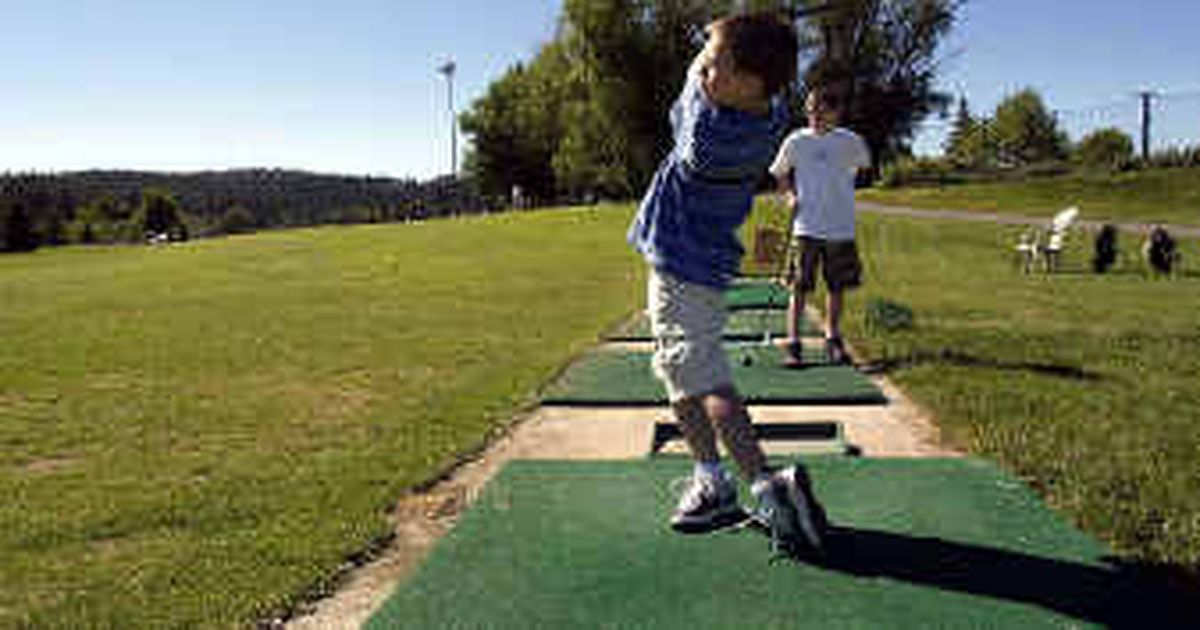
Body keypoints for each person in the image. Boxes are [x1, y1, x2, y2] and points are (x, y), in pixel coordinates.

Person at [627, 12, 828, 555]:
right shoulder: (769, 116)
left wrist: (708, 55)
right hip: (702, 265)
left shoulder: (708, 132)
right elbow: (720, 73)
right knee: (678, 368)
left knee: (706, 380)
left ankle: (766, 487)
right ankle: (711, 479)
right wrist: (727, 40)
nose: (705, 69)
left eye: (716, 65)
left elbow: (683, 99)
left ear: (747, 82)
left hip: (680, 264)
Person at [769, 85, 872, 367]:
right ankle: (793, 343)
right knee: (799, 288)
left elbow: (862, 166)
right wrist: (790, 195)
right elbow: (779, 173)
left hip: (840, 227)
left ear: (835, 112)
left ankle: (833, 339)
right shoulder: (796, 140)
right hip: (806, 227)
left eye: (819, 109)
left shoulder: (850, 141)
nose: (812, 114)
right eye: (809, 108)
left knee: (836, 287)